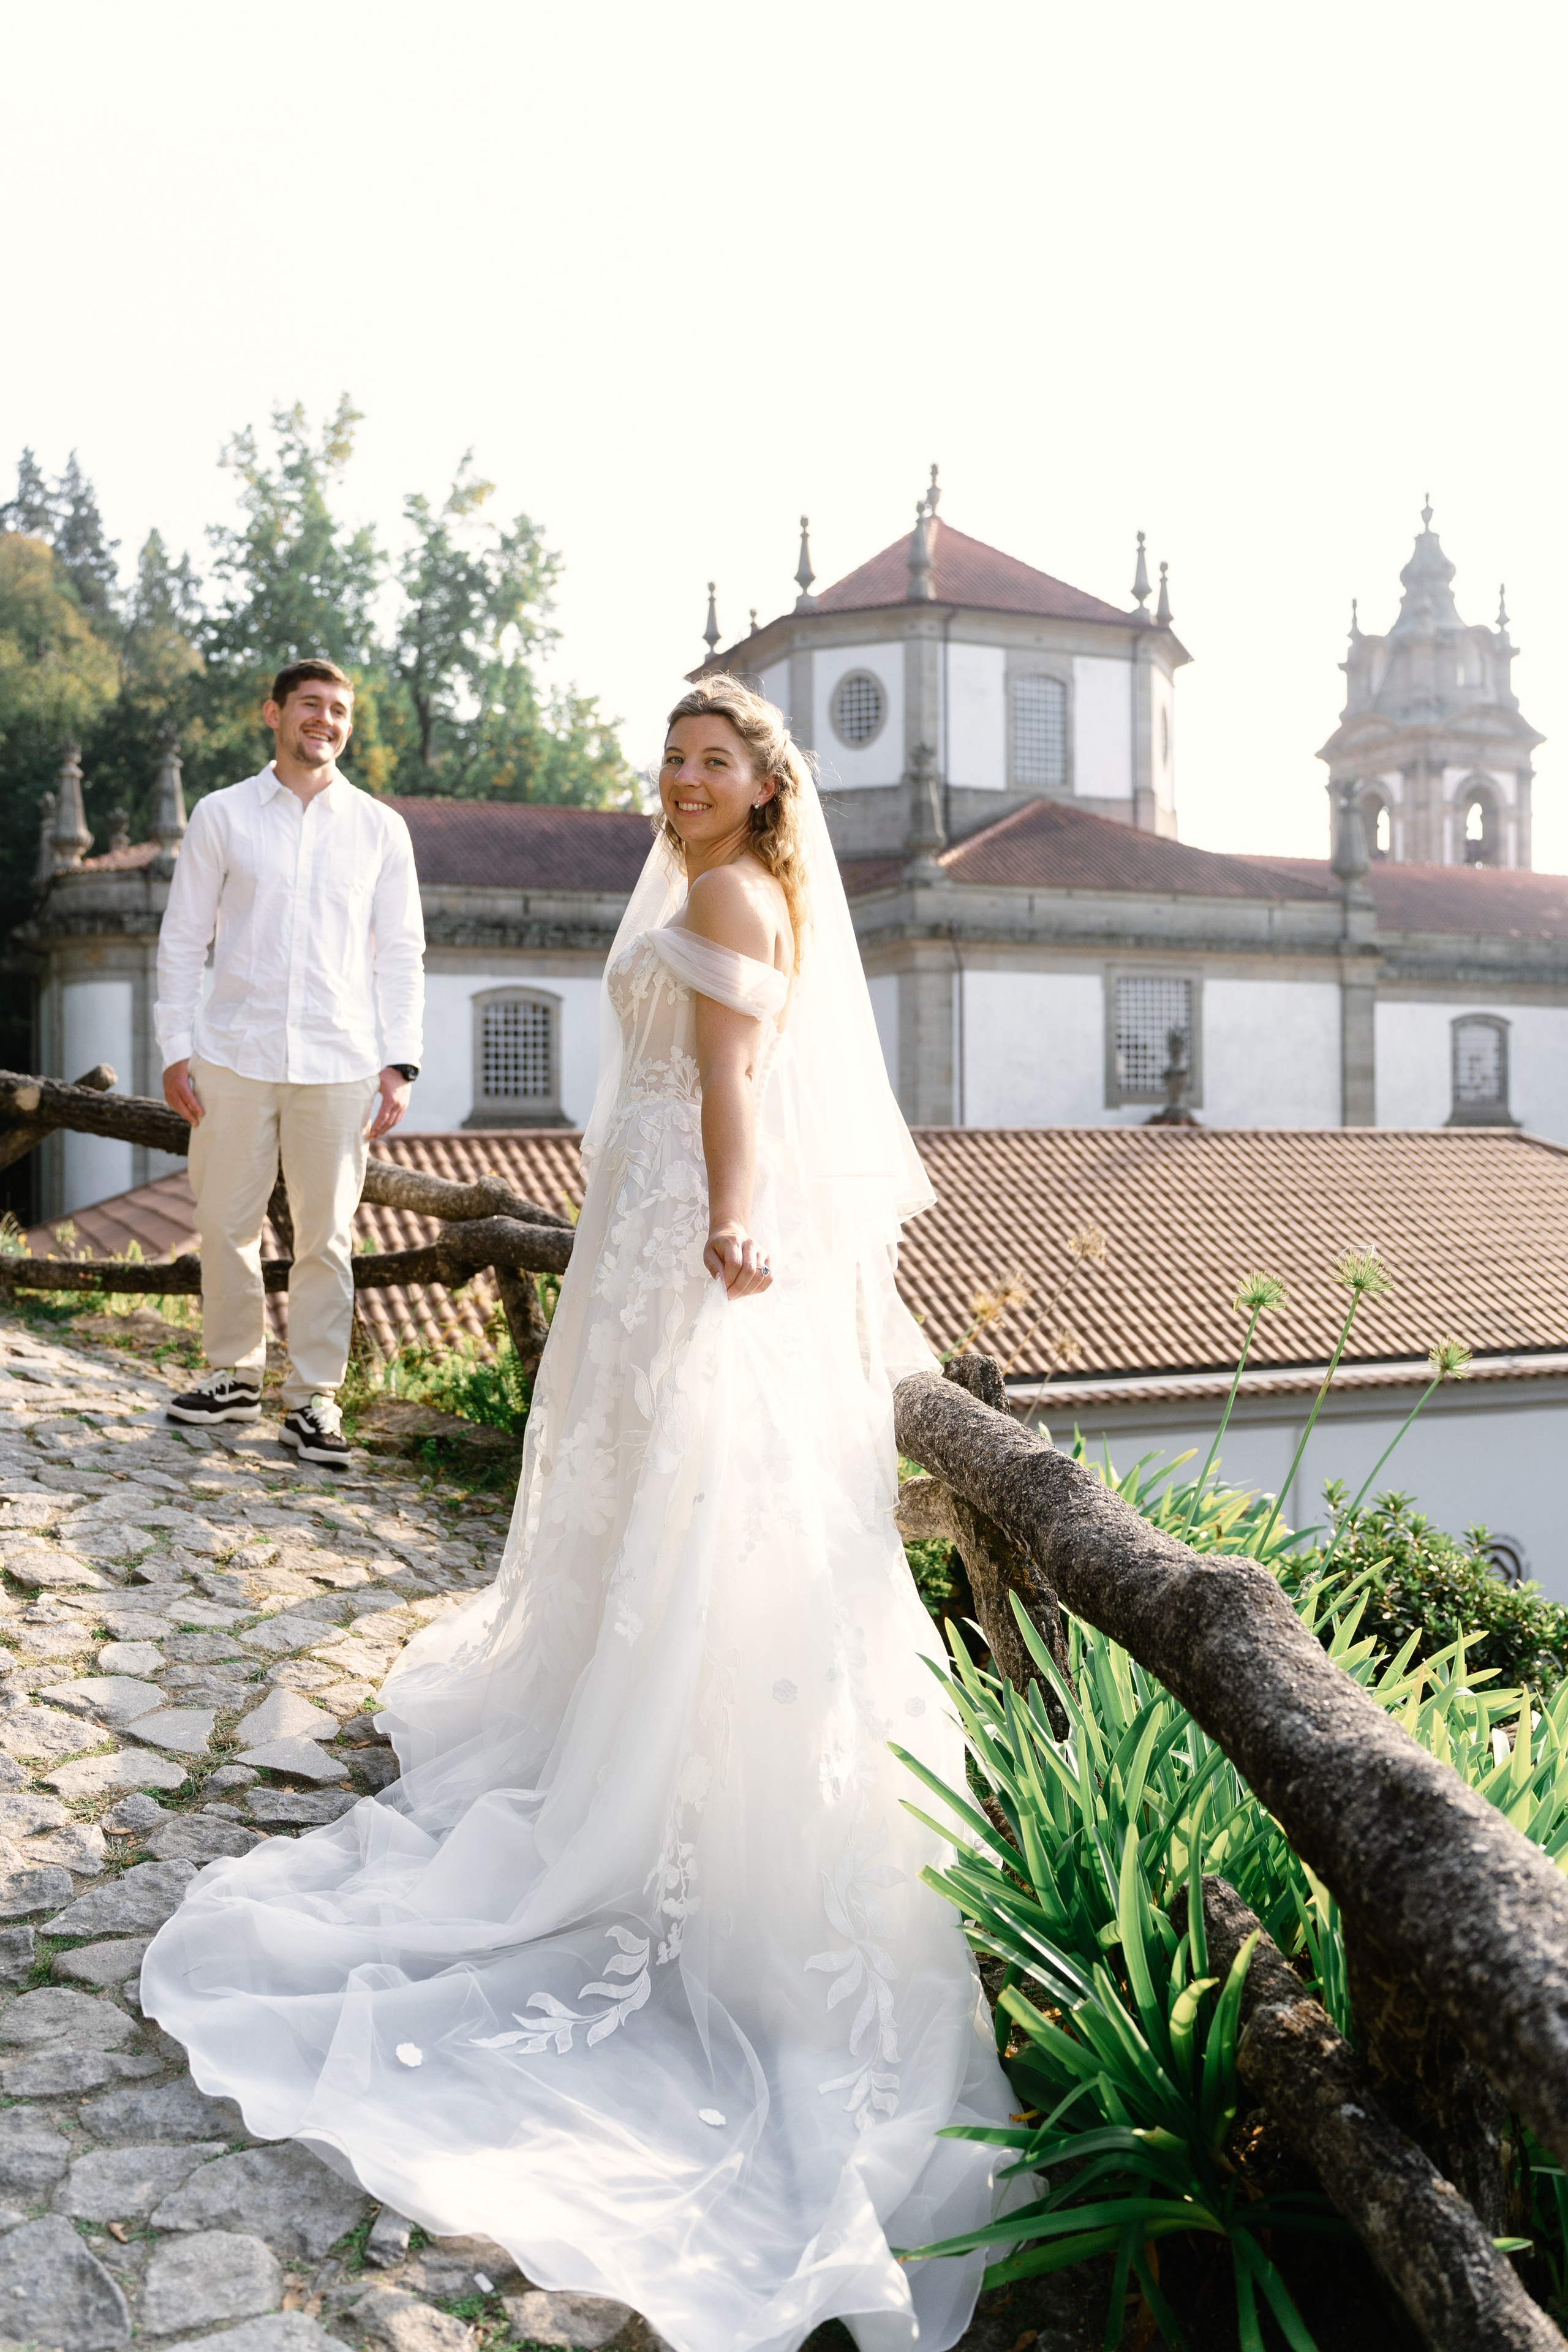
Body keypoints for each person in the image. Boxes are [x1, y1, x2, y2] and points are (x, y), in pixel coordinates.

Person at [141, 677, 1011, 2352]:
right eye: (672, 759)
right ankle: (626, 1733)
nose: (683, 781)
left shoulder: (733, 890)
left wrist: (739, 1228)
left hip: (697, 1231)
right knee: (655, 1521)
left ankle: (676, 1792)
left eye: (714, 762)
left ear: (767, 786)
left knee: (707, 1519)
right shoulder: (708, 882)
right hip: (648, 1219)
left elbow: (741, 1081)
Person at [154, 657, 425, 1466]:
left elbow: (401, 952)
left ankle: (313, 1401)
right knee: (225, 1224)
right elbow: (181, 938)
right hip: (233, 1055)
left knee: (326, 1237)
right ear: (272, 714)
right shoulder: (221, 815)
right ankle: (232, 1375)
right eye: (311, 705)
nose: (327, 720)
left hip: (340, 1060)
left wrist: (400, 1061)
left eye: (340, 710)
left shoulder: (381, 828)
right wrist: (174, 1048)